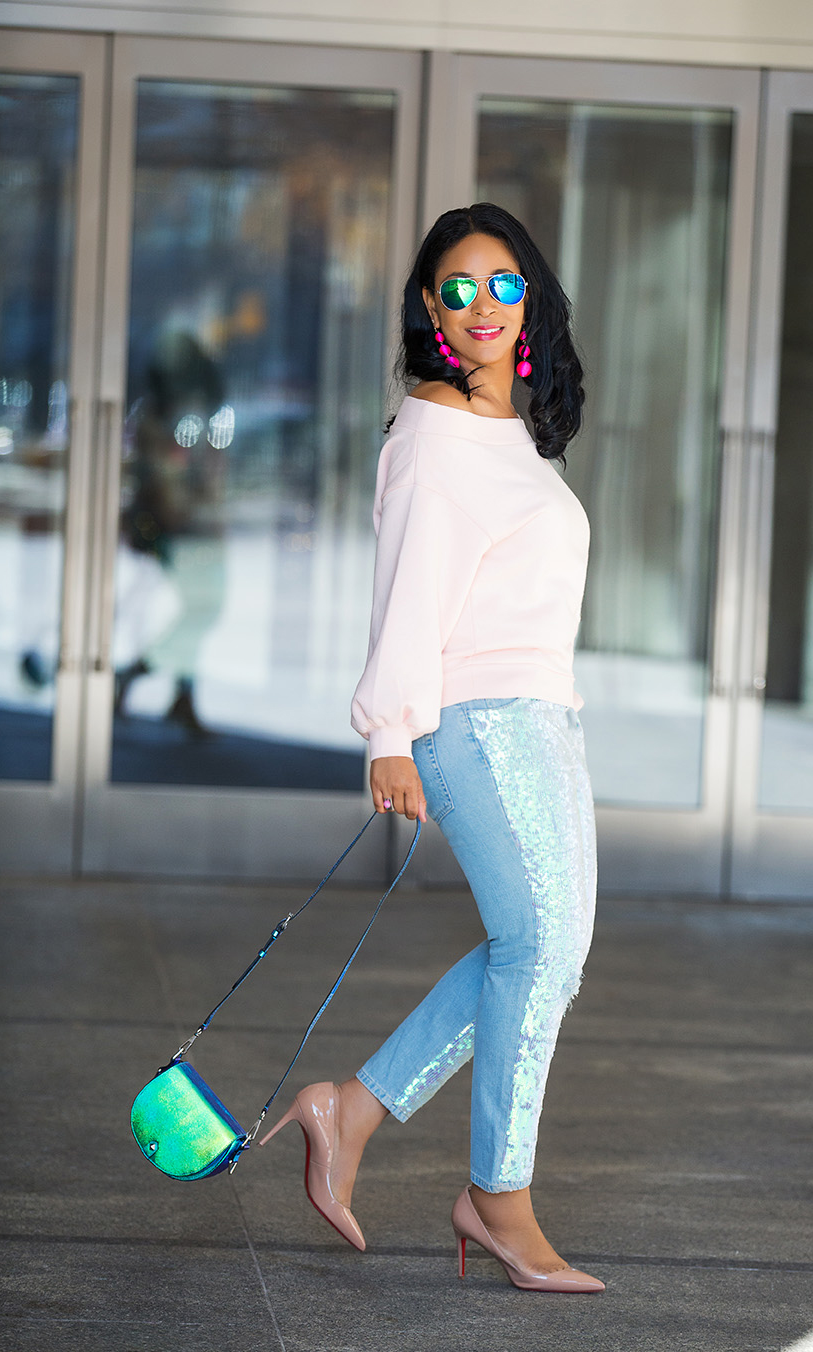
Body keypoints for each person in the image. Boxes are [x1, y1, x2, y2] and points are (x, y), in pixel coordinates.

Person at [261, 204, 602, 1294]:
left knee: (542, 951)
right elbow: (408, 597)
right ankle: (496, 1195)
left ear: (531, 298)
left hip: (541, 719)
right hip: (473, 720)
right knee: (538, 945)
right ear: (429, 310)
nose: (484, 306)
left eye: (504, 285)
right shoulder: (431, 433)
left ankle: (347, 1111)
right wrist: (390, 734)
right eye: (457, 288)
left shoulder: (513, 434)